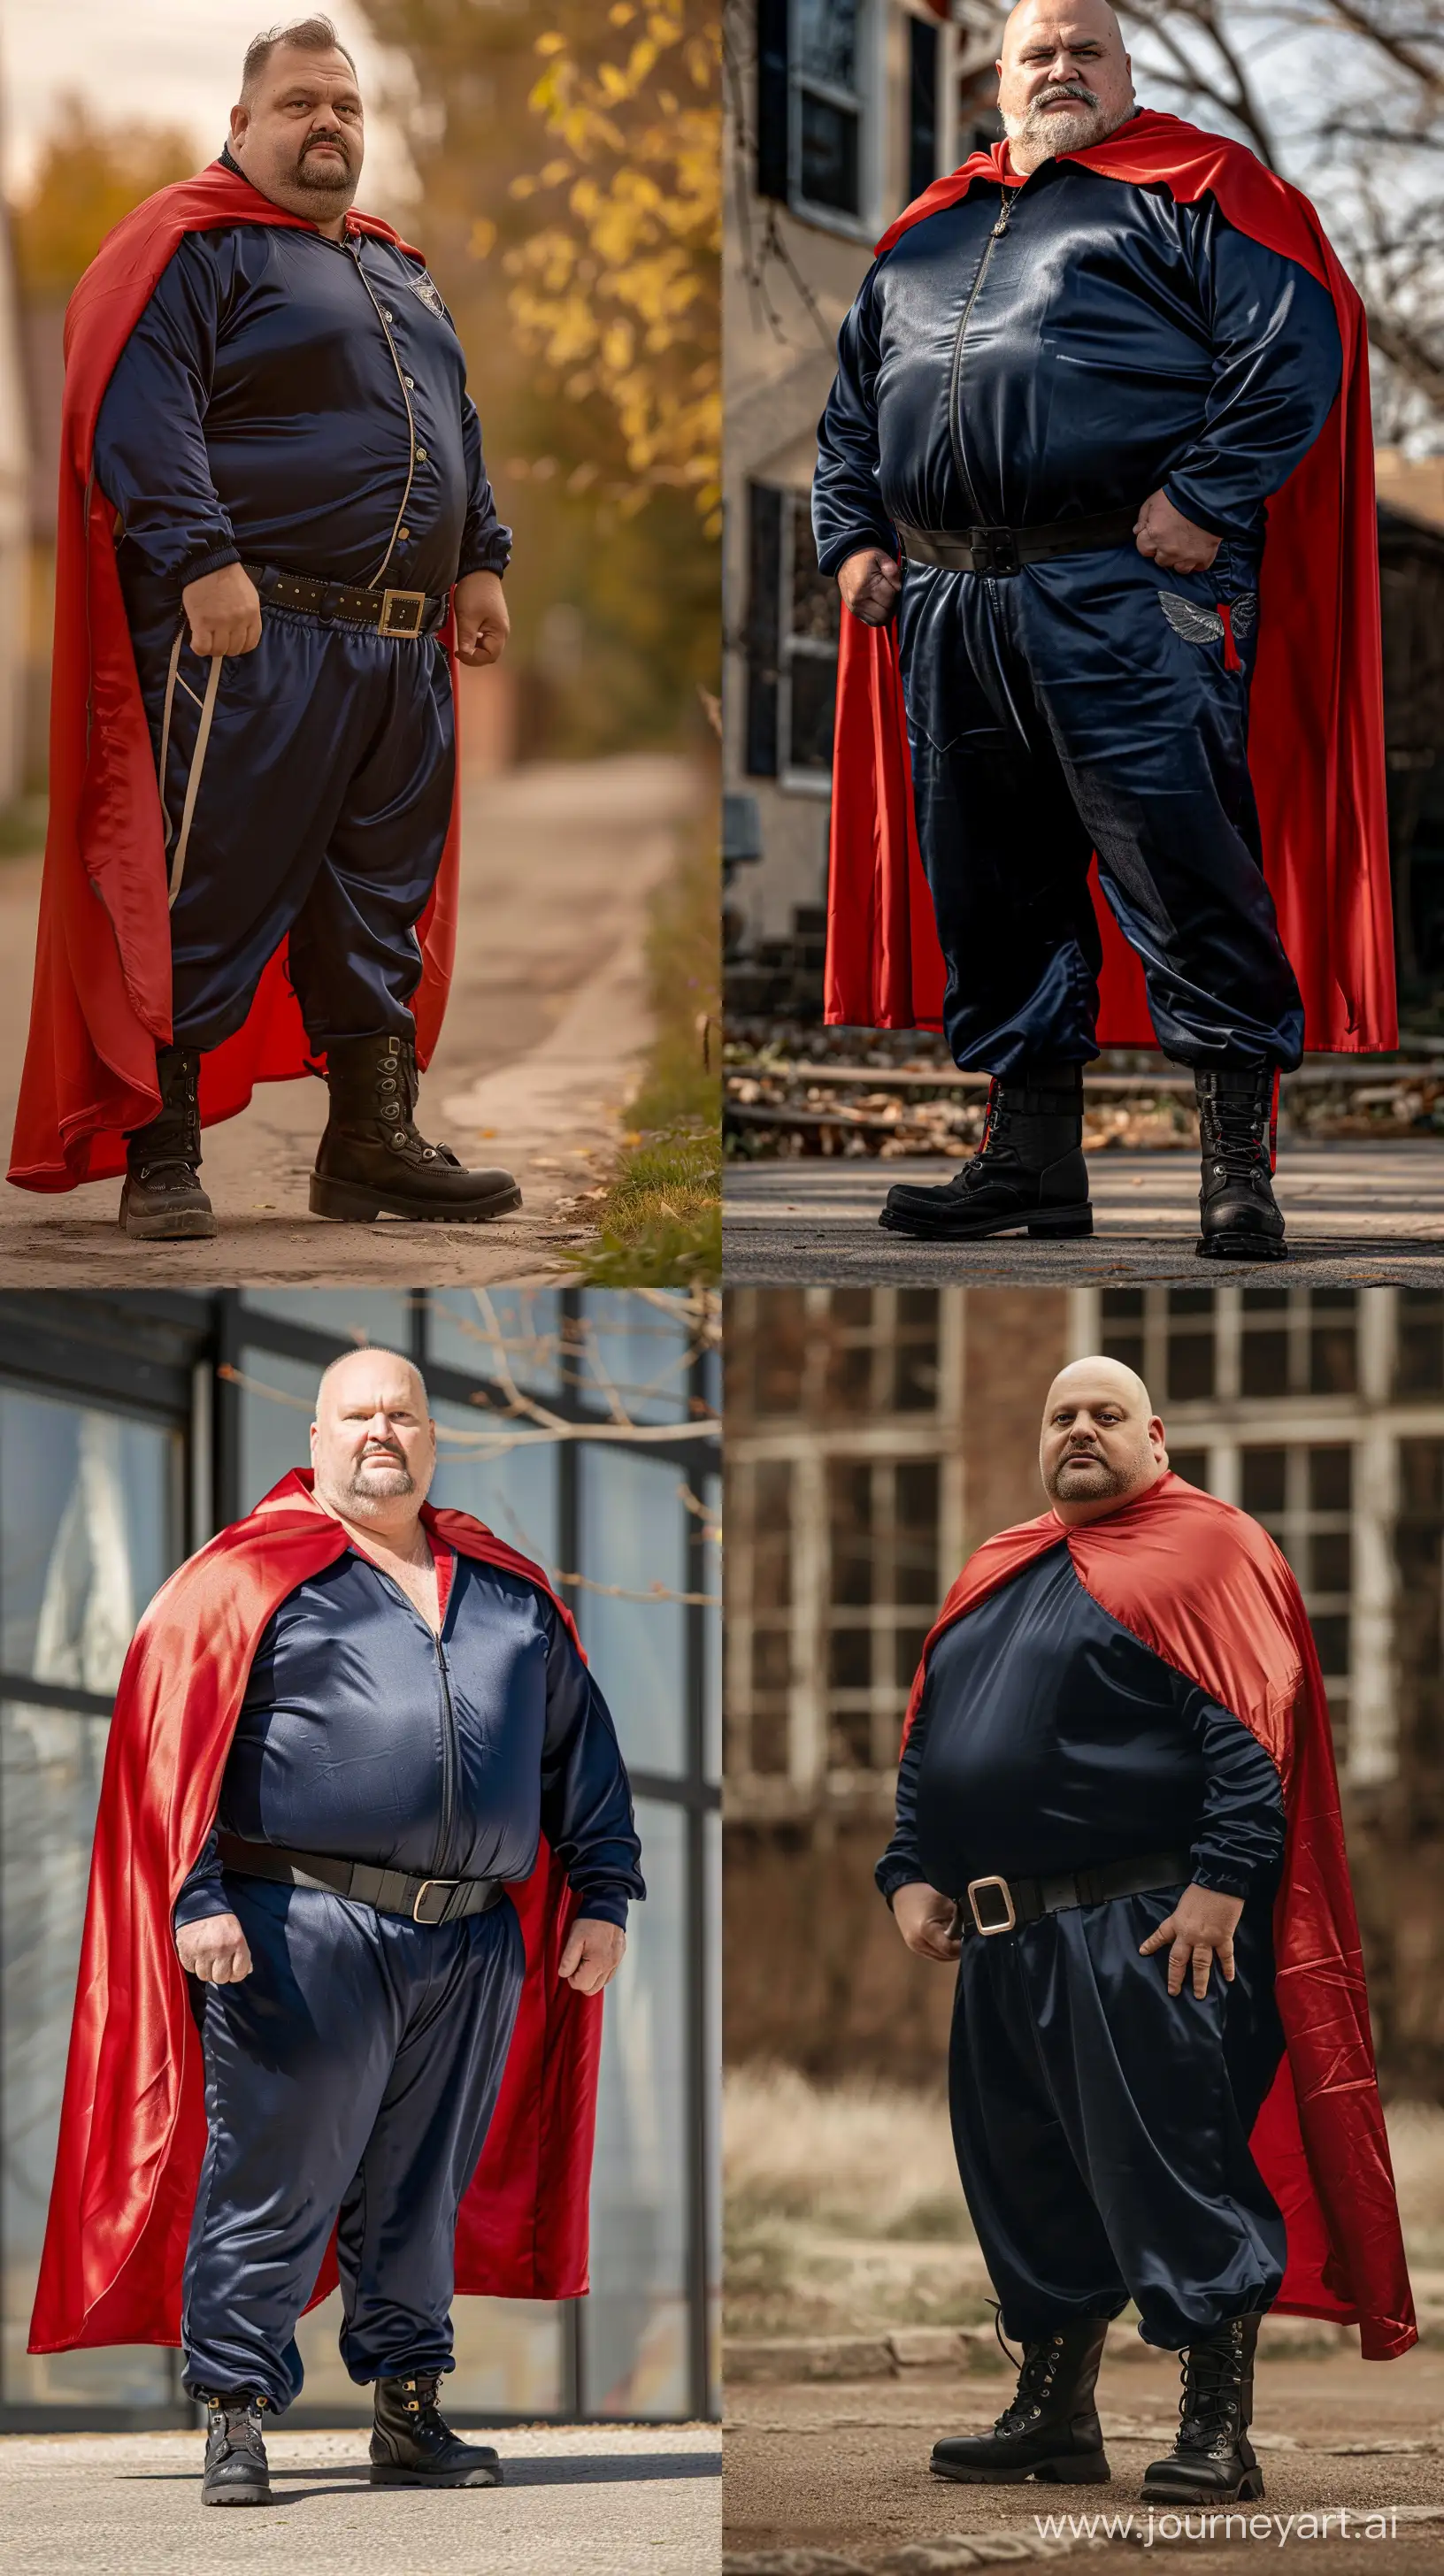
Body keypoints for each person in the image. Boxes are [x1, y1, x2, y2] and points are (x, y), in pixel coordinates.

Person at [817, 0, 1394, 1261]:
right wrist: (853, 540)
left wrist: (1202, 497)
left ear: (1128, 71)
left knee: (1183, 871)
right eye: (1039, 51)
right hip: (955, 603)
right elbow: (852, 413)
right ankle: (1029, 1161)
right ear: (1000, 77)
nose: (1061, 68)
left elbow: (1294, 353)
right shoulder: (926, 233)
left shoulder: (1200, 191)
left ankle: (1237, 1171)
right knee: (991, 887)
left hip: (1129, 592)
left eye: (1088, 49)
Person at [29, 1348, 643, 2509]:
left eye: (402, 1415)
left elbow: (579, 1755)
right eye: (357, 1415)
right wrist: (199, 1896)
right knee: (276, 2177)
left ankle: (409, 2412)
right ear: (313, 1439)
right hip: (300, 1924)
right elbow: (175, 1750)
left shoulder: (507, 1591)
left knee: (419, 2190)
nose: (382, 1434)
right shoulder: (243, 1581)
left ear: (430, 1437)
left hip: (470, 1941)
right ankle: (236, 2414)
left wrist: (604, 1893)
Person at [10, 17, 521, 1237]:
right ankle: (163, 1149)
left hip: (399, 651)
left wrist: (483, 559)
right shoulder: (193, 250)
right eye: (298, 105)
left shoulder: (399, 267)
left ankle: (369, 1145)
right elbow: (143, 413)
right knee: (206, 886)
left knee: (377, 898)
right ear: (240, 126)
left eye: (344, 106)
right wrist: (201, 559)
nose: (327, 124)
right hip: (252, 635)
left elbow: (452, 416)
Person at [878, 1357, 1413, 2504]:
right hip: (1002, 1941)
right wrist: (908, 1872)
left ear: (1155, 1438)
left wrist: (1223, 1881)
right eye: (1060, 1412)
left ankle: (1219, 2430)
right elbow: (931, 1745)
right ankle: (1055, 2417)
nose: (1079, 1428)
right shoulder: (998, 1568)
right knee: (1027, 2179)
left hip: (1146, 1927)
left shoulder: (1207, 1550)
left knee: (1174, 2170)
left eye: (1104, 1414)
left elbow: (1248, 1729)